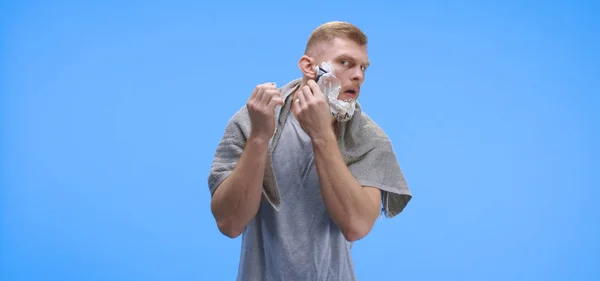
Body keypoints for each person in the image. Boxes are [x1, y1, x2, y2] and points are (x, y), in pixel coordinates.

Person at [207, 21, 412, 281]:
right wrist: (259, 137)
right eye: (345, 62)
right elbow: (230, 222)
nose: (359, 75)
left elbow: (356, 226)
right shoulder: (251, 120)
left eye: (363, 67)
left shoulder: (368, 139)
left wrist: (322, 135)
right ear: (308, 67)